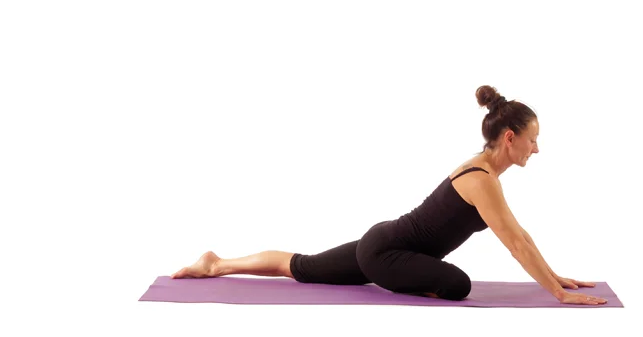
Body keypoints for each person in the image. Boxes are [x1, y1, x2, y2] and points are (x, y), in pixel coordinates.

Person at [171, 85, 607, 305]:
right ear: (510, 138)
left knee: (299, 267)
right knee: (456, 285)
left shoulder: (481, 170)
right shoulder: (482, 181)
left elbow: (522, 237)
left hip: (382, 243)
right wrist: (557, 293)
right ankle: (399, 276)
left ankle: (218, 263)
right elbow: (515, 242)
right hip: (384, 253)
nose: (537, 148)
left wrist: (555, 277)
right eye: (533, 140)